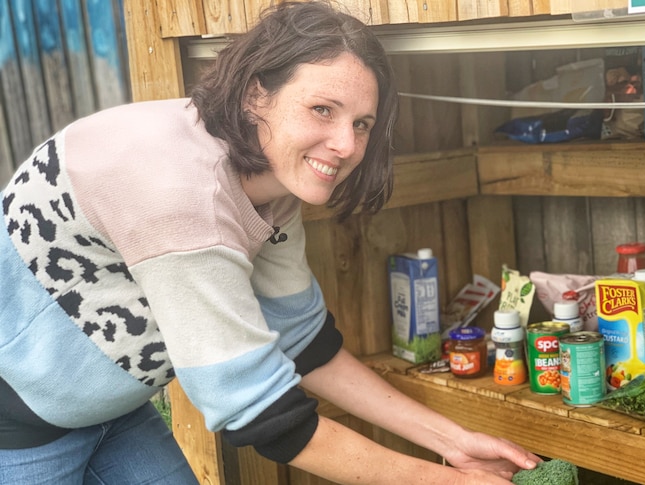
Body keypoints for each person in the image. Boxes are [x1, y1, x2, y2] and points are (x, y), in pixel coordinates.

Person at [0, 1, 540, 484]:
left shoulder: (268, 181)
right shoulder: (183, 194)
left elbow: (304, 341)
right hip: (14, 424)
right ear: (258, 93)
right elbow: (258, 413)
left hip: (109, 410)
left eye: (363, 122)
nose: (347, 144)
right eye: (322, 110)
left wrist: (454, 443)